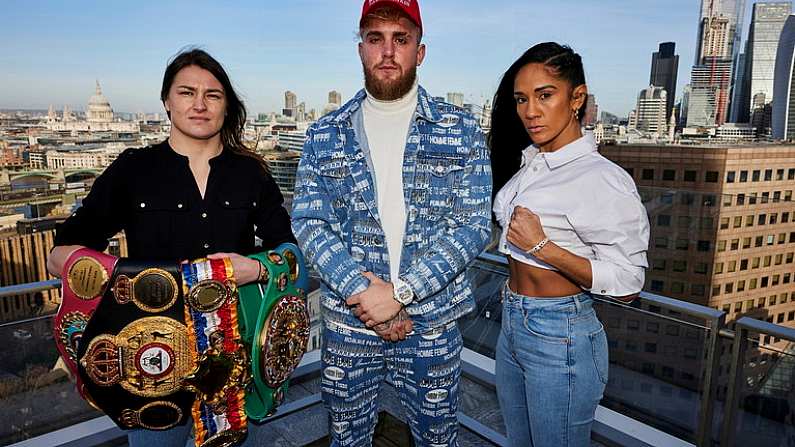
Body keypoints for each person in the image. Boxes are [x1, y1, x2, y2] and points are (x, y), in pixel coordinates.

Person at [46, 48, 295, 447]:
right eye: (186, 92)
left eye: (212, 95)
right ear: (166, 101)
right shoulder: (133, 169)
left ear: (226, 106)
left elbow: (287, 250)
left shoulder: (251, 173)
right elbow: (64, 251)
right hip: (151, 362)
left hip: (230, 360)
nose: (199, 104)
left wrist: (257, 268)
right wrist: (117, 277)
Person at [291, 1, 492, 445]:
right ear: (360, 49)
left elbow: (474, 225)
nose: (388, 51)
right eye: (375, 38)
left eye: (401, 39)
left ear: (420, 52)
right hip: (349, 323)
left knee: (437, 437)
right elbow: (309, 222)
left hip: (431, 322)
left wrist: (400, 293)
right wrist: (365, 296)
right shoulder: (325, 133)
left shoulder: (460, 129)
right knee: (347, 437)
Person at [490, 42, 650, 446]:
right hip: (512, 320)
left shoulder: (601, 178)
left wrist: (544, 246)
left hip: (559, 331)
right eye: (521, 99)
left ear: (576, 97)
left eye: (545, 95)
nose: (530, 111)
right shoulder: (531, 164)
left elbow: (629, 282)